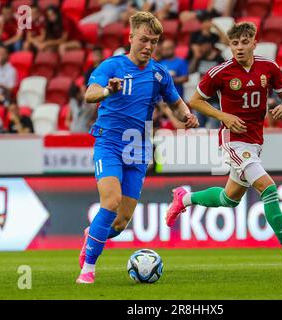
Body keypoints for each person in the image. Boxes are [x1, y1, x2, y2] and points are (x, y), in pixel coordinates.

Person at [165, 22, 282, 271]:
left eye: (245, 42)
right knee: (269, 189)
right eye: (235, 43)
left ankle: (184, 198)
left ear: (254, 43)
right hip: (233, 141)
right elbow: (195, 101)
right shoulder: (220, 73)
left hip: (255, 141)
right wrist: (224, 117)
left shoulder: (269, 67)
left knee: (229, 199)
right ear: (230, 46)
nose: (240, 48)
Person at [76, 12, 199, 284]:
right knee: (111, 202)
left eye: (154, 41)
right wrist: (108, 91)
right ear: (131, 37)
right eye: (144, 39)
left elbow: (176, 103)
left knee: (119, 225)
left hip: (139, 149)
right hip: (109, 143)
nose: (148, 46)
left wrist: (187, 115)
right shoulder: (112, 67)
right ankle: (88, 270)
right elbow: (89, 94)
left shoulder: (159, 73)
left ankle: (92, 234)